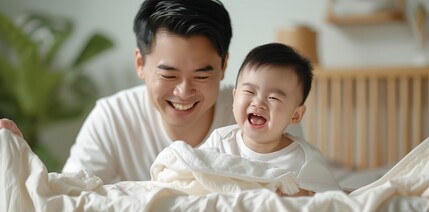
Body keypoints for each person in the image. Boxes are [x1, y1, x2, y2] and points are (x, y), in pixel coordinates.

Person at [0, 0, 302, 184]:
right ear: (140, 64)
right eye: (168, 74)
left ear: (224, 66)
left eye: (201, 74)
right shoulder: (113, 116)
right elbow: (69, 194)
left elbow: (300, 193)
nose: (184, 92)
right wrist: (21, 167)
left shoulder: (260, 113)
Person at [200, 43, 341, 195]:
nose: (259, 102)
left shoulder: (304, 160)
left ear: (296, 115)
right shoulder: (220, 142)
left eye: (273, 97)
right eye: (249, 91)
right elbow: (191, 173)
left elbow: (333, 202)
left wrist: (302, 194)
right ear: (235, 98)